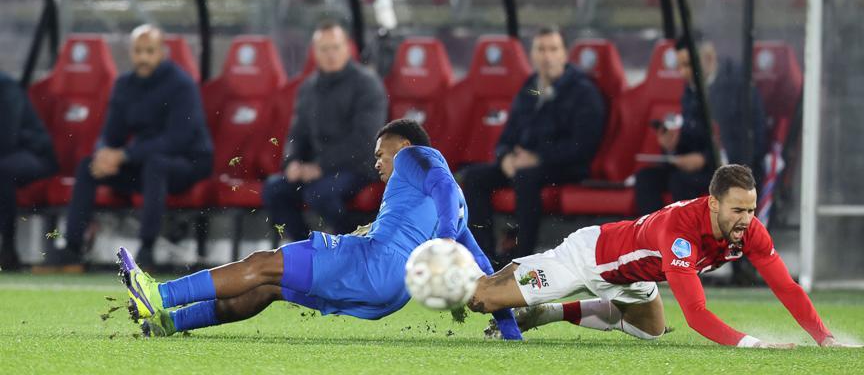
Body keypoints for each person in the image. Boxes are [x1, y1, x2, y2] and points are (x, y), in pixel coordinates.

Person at [119, 119, 523, 341]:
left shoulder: (416, 157)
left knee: (263, 263)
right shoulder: (454, 208)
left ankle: (158, 296)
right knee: (268, 287)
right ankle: (172, 322)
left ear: (402, 146)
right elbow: (484, 269)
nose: (377, 163)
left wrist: (446, 239)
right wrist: (509, 329)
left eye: (380, 153)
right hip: (391, 294)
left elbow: (443, 184)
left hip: (372, 263)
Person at [470, 164, 862, 348]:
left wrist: (824, 338)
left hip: (634, 278)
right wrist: (756, 346)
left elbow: (786, 287)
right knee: (481, 298)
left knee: (650, 331)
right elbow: (696, 315)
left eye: (751, 210)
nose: (746, 220)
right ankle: (452, 265)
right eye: (738, 210)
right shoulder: (681, 232)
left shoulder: (750, 231)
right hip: (589, 258)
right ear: (713, 203)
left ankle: (547, 313)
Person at [58, 25, 212, 268]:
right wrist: (104, 153)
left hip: (188, 163)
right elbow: (111, 133)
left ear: (162, 53)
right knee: (88, 166)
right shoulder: (124, 84)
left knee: (156, 165)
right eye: (138, 51)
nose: (143, 58)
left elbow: (177, 140)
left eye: (150, 51)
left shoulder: (181, 85)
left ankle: (146, 250)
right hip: (143, 161)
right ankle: (72, 249)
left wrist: (124, 155)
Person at [461, 26, 606, 261]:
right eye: (541, 49)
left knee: (526, 177)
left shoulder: (583, 92)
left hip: (564, 167)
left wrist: (538, 158)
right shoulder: (530, 87)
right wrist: (505, 157)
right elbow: (507, 136)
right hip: (524, 164)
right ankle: (485, 259)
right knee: (474, 177)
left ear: (565, 54)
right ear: (532, 54)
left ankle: (521, 260)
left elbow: (582, 147)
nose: (547, 56)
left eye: (553, 49)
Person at [263, 22, 388, 238]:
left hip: (358, 168)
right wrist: (292, 162)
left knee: (320, 193)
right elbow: (297, 134)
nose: (331, 54)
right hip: (316, 169)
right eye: (324, 49)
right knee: (275, 189)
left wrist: (320, 166)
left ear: (347, 48)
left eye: (336, 47)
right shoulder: (308, 88)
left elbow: (366, 141)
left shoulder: (367, 85)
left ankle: (352, 244)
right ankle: (304, 249)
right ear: (315, 52)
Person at [633, 34, 769, 217]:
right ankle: (653, 231)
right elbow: (694, 134)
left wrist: (704, 159)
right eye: (679, 66)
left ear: (709, 58)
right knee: (646, 179)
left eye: (688, 65)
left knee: (680, 181)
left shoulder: (738, 88)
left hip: (730, 167)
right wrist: (673, 146)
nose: (683, 73)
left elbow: (748, 142)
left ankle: (686, 233)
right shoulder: (692, 87)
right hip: (701, 165)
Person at [0, 70, 57, 271]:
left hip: (35, 154)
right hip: (9, 156)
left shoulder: (6, 87)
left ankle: (8, 249)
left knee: (3, 171)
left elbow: (7, 137)